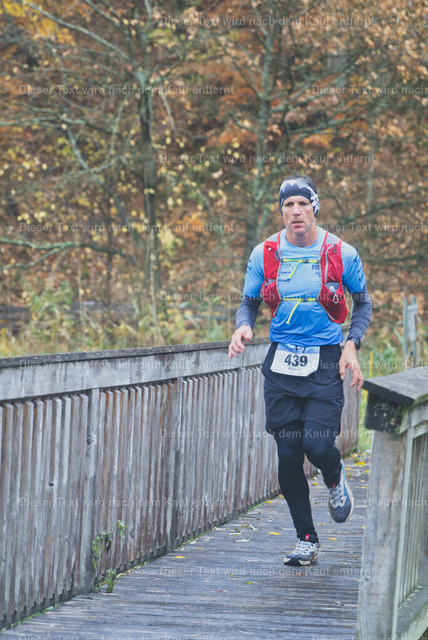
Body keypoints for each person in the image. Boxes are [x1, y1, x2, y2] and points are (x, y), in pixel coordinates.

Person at [228, 174, 372, 566]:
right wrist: (244, 326)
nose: (295, 211)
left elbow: (363, 303)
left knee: (317, 445)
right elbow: (249, 302)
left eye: (302, 204)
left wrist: (351, 343)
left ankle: (334, 475)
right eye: (288, 205)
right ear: (281, 210)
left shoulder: (340, 253)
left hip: (325, 360)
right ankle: (306, 539)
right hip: (281, 361)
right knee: (289, 454)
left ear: (314, 208)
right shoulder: (266, 252)